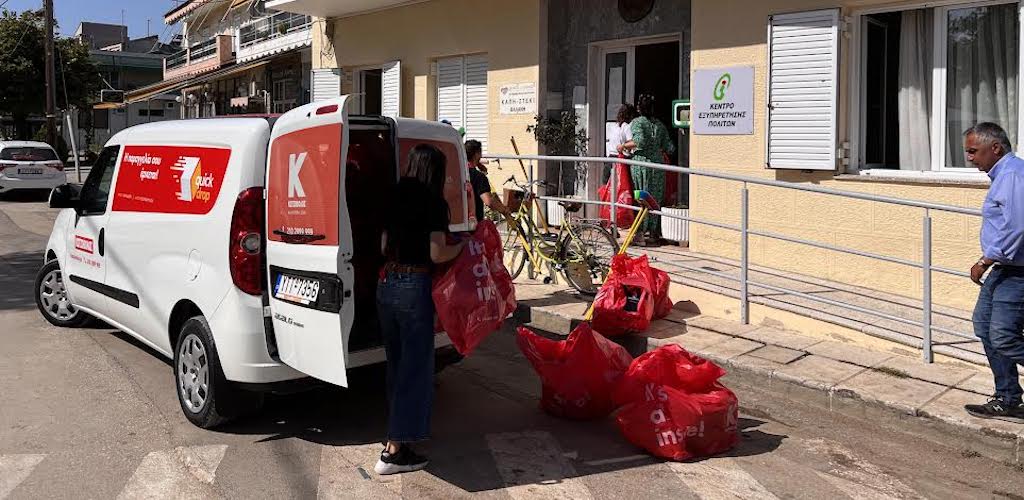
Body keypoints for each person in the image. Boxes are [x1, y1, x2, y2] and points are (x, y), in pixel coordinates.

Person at [375, 144, 466, 474]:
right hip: (414, 288)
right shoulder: (433, 203)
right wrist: (463, 247)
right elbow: (436, 253)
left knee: (397, 368)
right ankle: (395, 452)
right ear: (435, 172)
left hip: (386, 285)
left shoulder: (394, 195)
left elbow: (384, 246)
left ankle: (393, 439)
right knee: (415, 371)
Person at [963, 122, 1024, 424]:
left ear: (995, 148)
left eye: (973, 151)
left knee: (1003, 336)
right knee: (984, 326)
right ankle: (1008, 398)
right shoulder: (1004, 174)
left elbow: (1017, 227)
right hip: (1006, 267)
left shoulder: (1012, 174)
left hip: (1017, 270)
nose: (970, 158)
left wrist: (986, 260)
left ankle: (1009, 397)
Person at [621, 94, 675, 245]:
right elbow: (669, 147)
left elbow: (640, 141)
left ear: (639, 108)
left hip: (641, 165)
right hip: (657, 166)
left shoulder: (637, 123)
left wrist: (623, 146)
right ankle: (653, 233)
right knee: (655, 198)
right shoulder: (659, 125)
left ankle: (640, 233)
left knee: (641, 197)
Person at [465, 139, 510, 221]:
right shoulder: (479, 177)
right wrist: (503, 209)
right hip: (473, 223)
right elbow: (488, 201)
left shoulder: (458, 173)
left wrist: (477, 164)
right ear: (476, 154)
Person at [605, 103, 637, 184]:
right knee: (622, 186)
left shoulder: (614, 126)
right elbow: (632, 142)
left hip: (610, 159)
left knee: (608, 186)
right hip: (620, 160)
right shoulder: (626, 127)